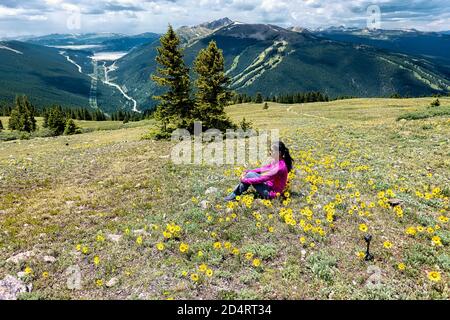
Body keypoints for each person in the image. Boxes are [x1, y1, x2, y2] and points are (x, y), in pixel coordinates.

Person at [225, 141, 293, 201]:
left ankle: (234, 195)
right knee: (250, 174)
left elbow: (262, 179)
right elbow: (264, 168)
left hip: (271, 194)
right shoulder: (278, 160)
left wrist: (244, 180)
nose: (269, 152)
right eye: (270, 150)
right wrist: (248, 171)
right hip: (269, 186)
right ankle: (235, 194)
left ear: (279, 153)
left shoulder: (279, 168)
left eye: (272, 151)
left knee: (249, 175)